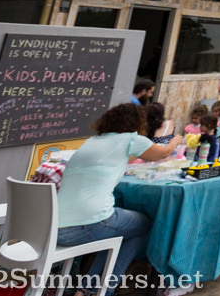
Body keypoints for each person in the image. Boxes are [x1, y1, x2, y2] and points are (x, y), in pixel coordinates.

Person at [56, 103, 183, 296]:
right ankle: (98, 290)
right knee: (143, 224)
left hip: (55, 227)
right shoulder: (131, 139)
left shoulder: (92, 141)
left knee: (118, 231)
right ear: (137, 123)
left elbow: (124, 157)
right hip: (85, 225)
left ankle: (89, 289)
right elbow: (162, 153)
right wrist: (175, 141)